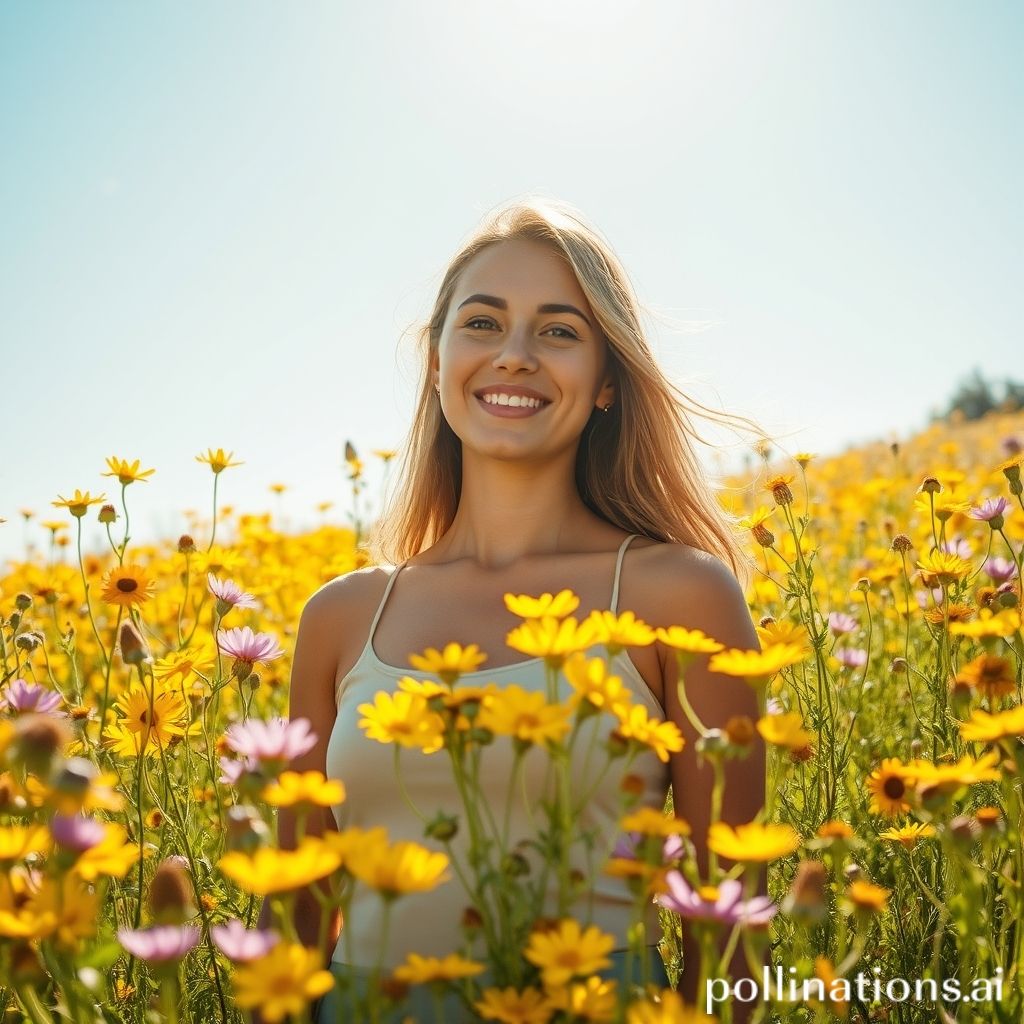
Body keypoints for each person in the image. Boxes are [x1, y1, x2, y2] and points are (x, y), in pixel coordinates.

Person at [263, 197, 769, 1023]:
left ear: (607, 382)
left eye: (560, 331)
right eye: (483, 323)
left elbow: (731, 936)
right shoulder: (341, 617)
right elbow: (296, 923)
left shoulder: (682, 596)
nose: (516, 356)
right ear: (436, 362)